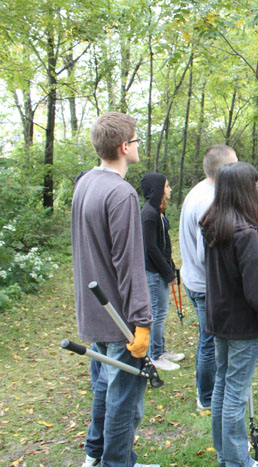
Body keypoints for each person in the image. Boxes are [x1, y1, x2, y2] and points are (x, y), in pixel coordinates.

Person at [71, 112, 158, 467]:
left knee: (104, 390)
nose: (138, 145)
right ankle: (116, 463)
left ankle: (94, 454)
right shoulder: (121, 193)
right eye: (136, 140)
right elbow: (130, 264)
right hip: (120, 320)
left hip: (94, 313)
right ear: (124, 147)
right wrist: (142, 321)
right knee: (124, 403)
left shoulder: (86, 183)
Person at [199, 162, 258, 467]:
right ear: (246, 191)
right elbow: (255, 292)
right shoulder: (244, 234)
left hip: (218, 319)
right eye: (255, 186)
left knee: (223, 385)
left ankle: (227, 456)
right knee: (234, 391)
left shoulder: (213, 224)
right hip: (241, 324)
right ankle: (237, 462)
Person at [179, 145, 238, 410]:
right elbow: (209, 256)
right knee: (209, 342)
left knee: (208, 339)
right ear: (225, 170)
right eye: (235, 164)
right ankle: (207, 398)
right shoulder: (209, 201)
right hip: (204, 285)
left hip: (193, 279)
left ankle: (208, 393)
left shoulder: (202, 189)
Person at [140, 173, 184, 371]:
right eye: (167, 186)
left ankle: (160, 349)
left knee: (161, 312)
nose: (170, 189)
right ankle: (155, 355)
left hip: (161, 270)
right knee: (157, 313)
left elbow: (164, 245)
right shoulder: (148, 214)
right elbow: (150, 248)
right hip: (153, 273)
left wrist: (171, 267)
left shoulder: (158, 212)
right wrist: (167, 273)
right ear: (158, 189)